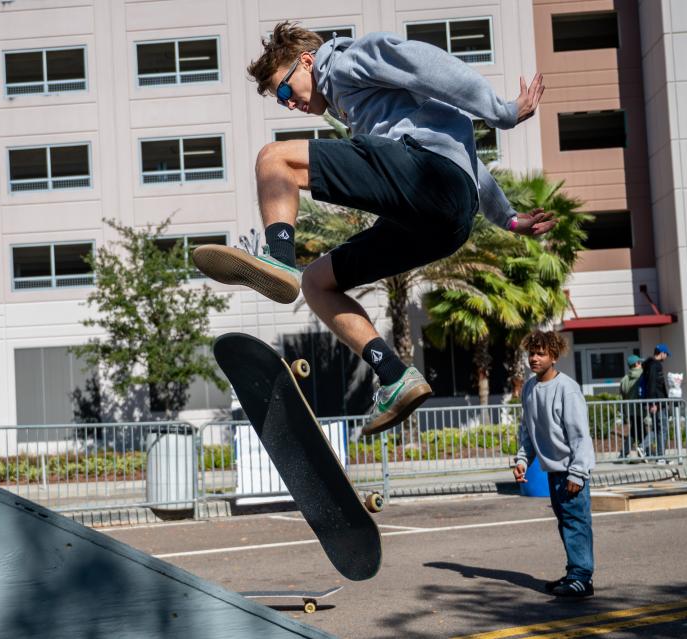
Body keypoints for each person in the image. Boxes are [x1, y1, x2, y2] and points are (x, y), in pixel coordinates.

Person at [191, 22, 553, 435]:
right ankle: (396, 375)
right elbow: (462, 158)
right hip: (443, 219)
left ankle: (278, 257)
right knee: (316, 283)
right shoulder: (365, 111)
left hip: (430, 178)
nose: (289, 104)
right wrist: (506, 217)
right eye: (281, 101)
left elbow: (427, 65)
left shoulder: (348, 62)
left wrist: (500, 111)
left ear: (307, 62)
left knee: (274, 160)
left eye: (287, 91)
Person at [512, 330, 596, 598]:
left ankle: (582, 578)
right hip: (553, 471)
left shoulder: (567, 389)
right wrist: (523, 460)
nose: (534, 358)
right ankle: (575, 573)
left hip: (571, 471)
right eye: (531, 353)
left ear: (554, 356)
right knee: (566, 523)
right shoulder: (529, 388)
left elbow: (580, 435)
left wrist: (578, 472)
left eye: (541, 353)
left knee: (576, 523)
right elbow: (528, 431)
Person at [640, 343, 671, 461]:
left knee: (658, 428)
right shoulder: (655, 366)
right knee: (662, 429)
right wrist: (653, 403)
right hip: (658, 402)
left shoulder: (649, 365)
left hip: (656, 401)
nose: (666, 357)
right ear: (662, 353)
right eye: (666, 354)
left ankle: (657, 454)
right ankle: (660, 456)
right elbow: (652, 384)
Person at [618, 354, 644, 459]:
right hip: (644, 409)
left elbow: (621, 397)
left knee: (638, 431)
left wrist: (624, 413)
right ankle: (625, 452)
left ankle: (643, 451)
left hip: (631, 410)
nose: (641, 364)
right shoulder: (643, 376)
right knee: (639, 432)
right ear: (637, 364)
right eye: (640, 362)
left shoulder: (624, 379)